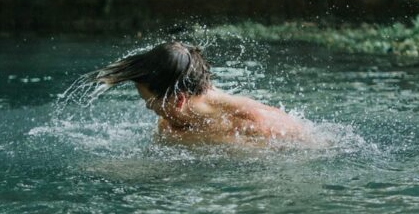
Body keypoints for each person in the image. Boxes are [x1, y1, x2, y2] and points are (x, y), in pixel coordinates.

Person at [78, 41, 307, 145]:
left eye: (150, 103)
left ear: (178, 100)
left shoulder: (258, 125)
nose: (149, 109)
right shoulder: (171, 123)